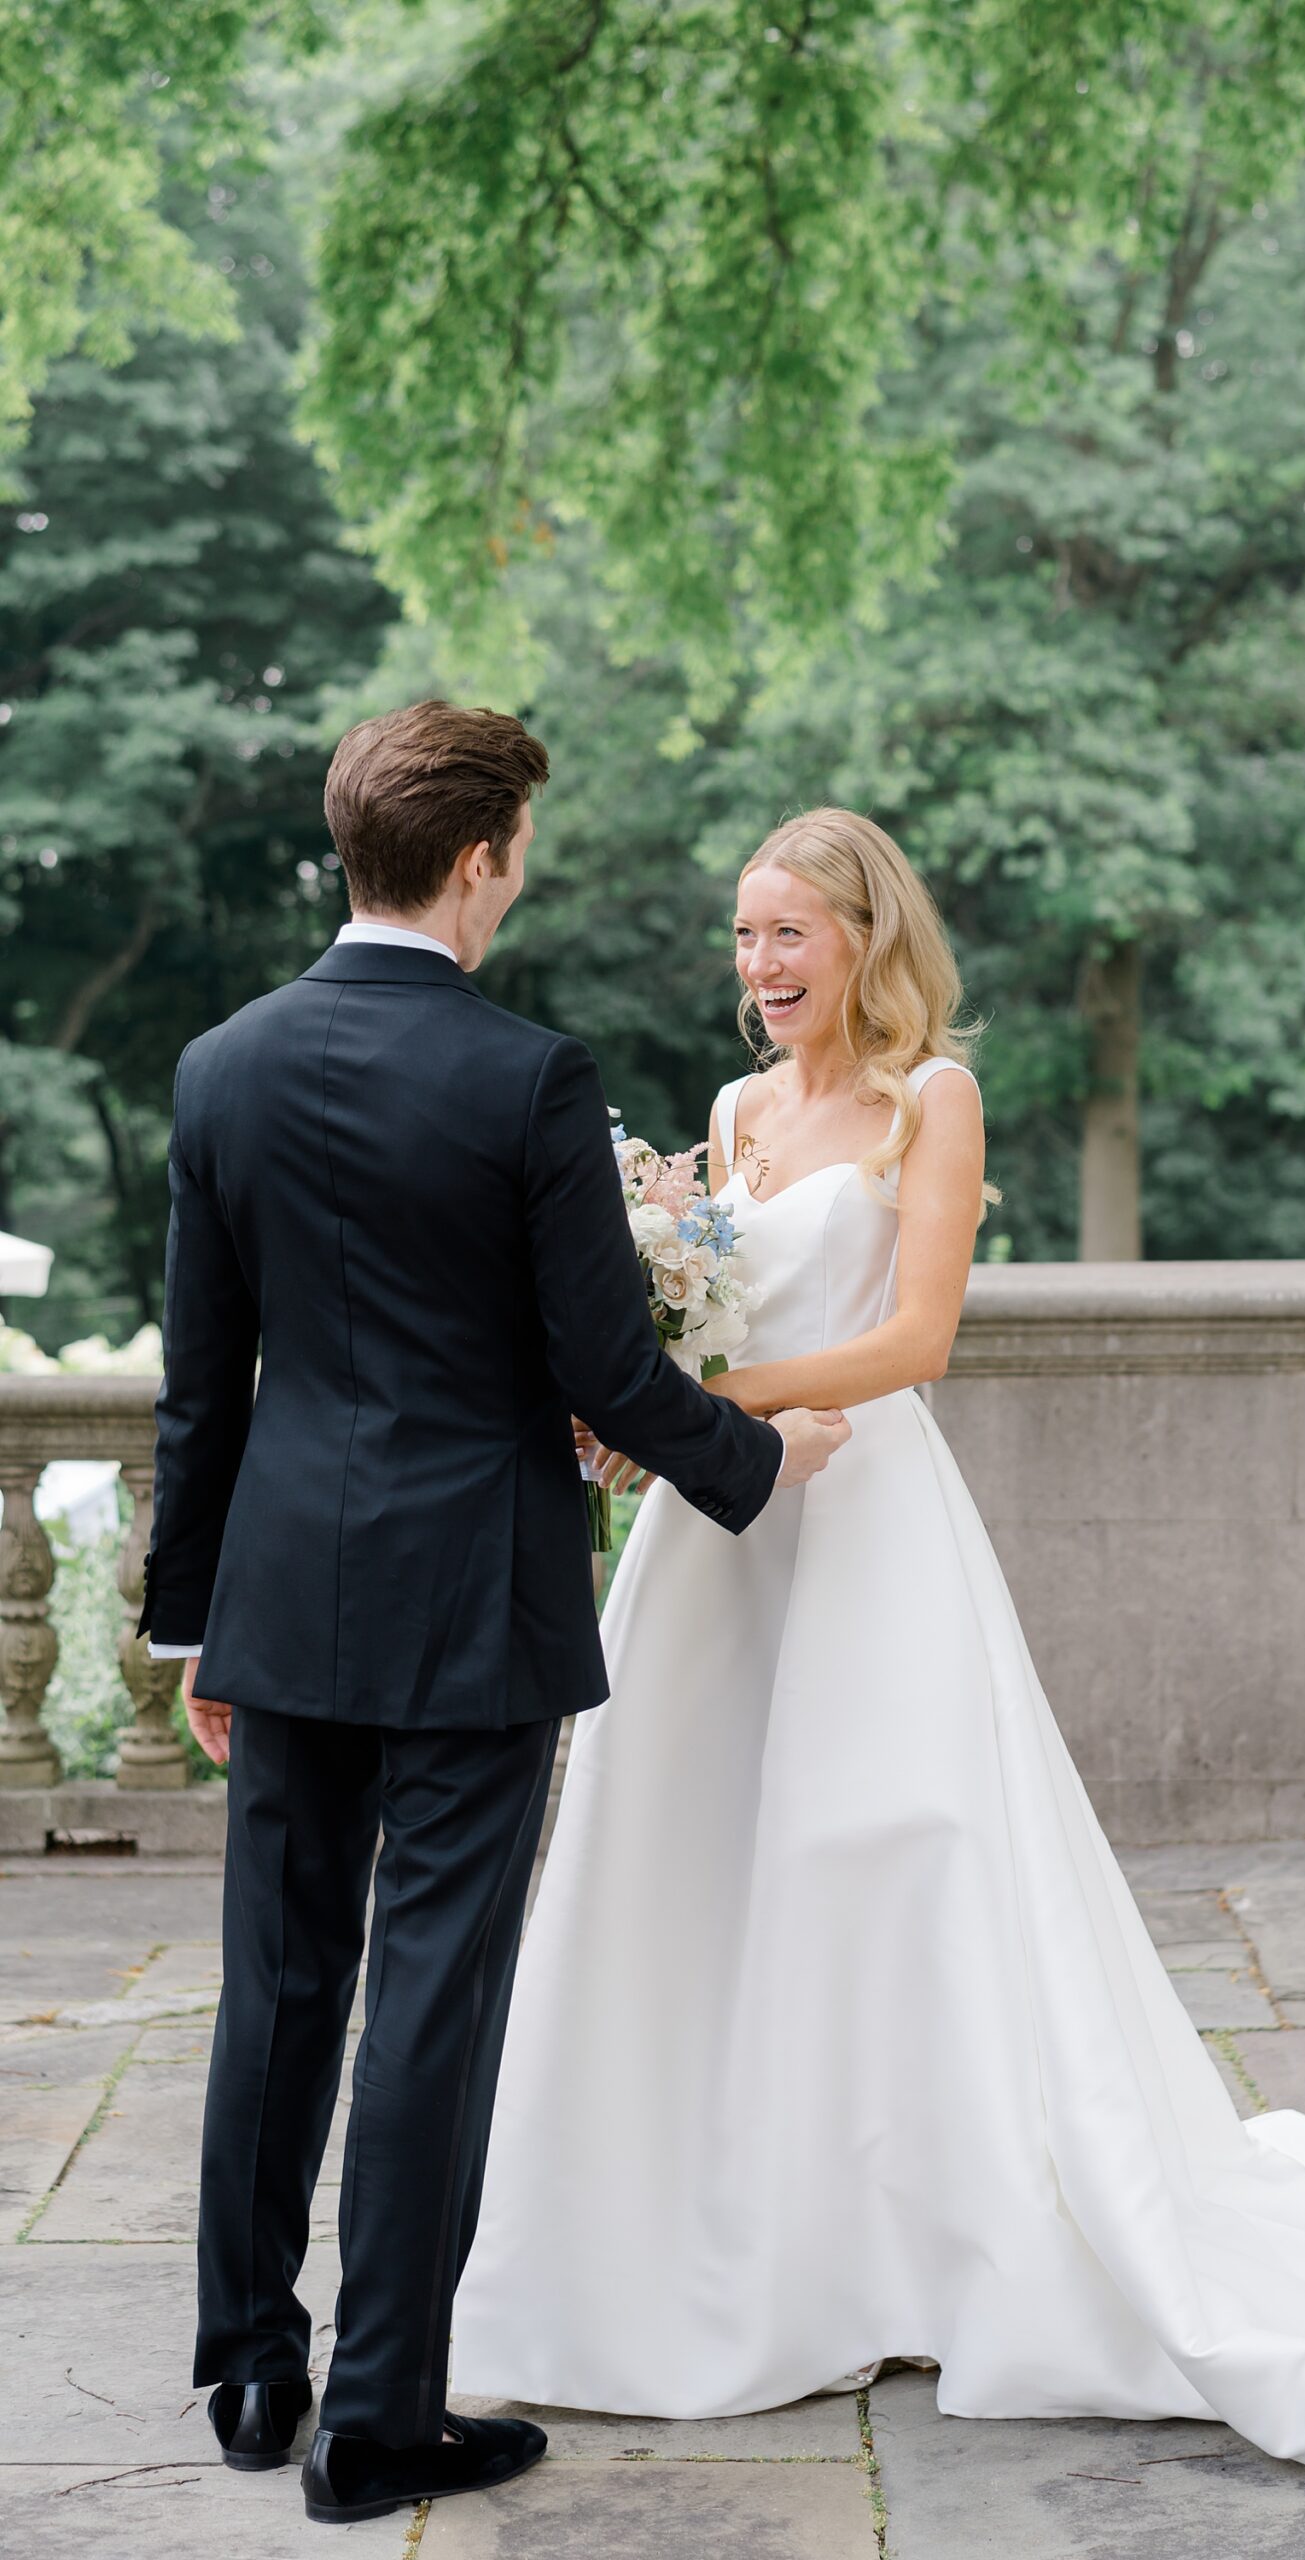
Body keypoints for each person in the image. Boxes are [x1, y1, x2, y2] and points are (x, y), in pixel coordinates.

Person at [453, 806, 1305, 2508]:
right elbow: (707, 1297)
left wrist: (691, 1410)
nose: (759, 973)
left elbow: (914, 1336)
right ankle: (734, 2226)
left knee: (889, 1862)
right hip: (722, 1539)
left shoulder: (930, 1103)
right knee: (687, 1865)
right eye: (742, 941)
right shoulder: (738, 1113)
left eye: (787, 937)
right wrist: (674, 1410)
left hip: (863, 1518)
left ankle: (925, 2236)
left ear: (864, 935)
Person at [139, 703, 849, 2527]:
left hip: (285, 1602)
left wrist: (186, 1622)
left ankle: (244, 2365)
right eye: (519, 849)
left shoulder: (220, 1064)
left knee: (277, 1990)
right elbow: (603, 1361)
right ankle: (377, 2417)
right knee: (432, 1998)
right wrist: (764, 1466)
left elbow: (201, 1390)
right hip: (472, 1602)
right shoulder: (527, 1077)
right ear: (479, 860)